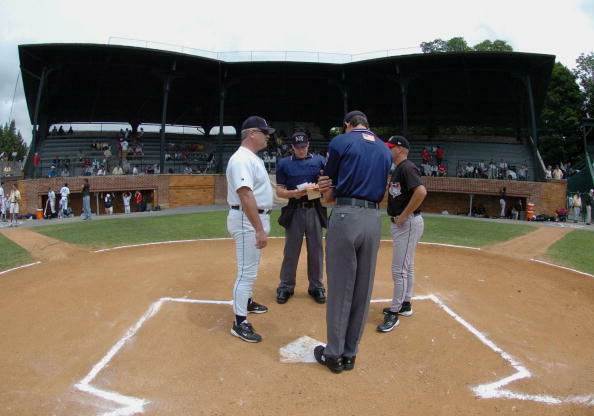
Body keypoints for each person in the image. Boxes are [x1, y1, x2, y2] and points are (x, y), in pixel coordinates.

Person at [314, 110, 392, 374]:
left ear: (348, 124)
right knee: (363, 288)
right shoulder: (384, 149)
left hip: (347, 215)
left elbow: (328, 182)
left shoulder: (341, 141)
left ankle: (333, 354)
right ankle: (350, 353)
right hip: (373, 218)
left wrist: (326, 188)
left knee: (340, 287)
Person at [226, 115, 275, 343]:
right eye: (265, 132)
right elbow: (244, 194)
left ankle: (246, 302)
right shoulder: (241, 159)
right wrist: (259, 229)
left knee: (251, 268)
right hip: (247, 220)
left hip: (253, 219)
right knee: (246, 272)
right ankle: (239, 322)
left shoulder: (252, 158)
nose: (268, 136)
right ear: (251, 133)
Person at [378, 136, 427, 333]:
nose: (388, 150)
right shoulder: (399, 169)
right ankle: (405, 303)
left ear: (400, 149)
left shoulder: (406, 167)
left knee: (399, 270)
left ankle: (395, 311)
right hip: (405, 223)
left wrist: (403, 215)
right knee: (407, 266)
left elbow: (421, 192)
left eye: (391, 147)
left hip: (406, 223)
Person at [275, 132, 326, 304]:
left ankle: (316, 287)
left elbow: (326, 185)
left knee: (316, 251)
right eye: (298, 147)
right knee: (291, 251)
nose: (301, 150)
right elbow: (279, 190)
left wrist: (313, 190)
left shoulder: (319, 161)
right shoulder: (284, 164)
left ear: (308, 145)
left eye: (304, 146)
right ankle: (286, 287)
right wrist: (293, 194)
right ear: (292, 147)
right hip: (294, 209)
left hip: (314, 209)